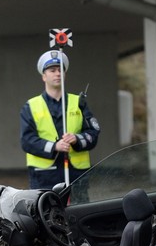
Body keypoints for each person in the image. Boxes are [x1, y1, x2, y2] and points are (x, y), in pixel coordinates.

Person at [20, 50, 100, 190]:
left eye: (60, 70)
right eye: (52, 70)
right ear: (43, 76)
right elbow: (27, 141)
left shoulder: (79, 102)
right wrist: (54, 147)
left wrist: (76, 139)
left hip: (76, 174)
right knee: (46, 211)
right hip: (44, 175)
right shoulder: (31, 106)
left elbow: (93, 134)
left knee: (79, 212)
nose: (57, 73)